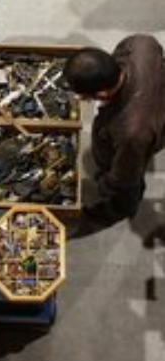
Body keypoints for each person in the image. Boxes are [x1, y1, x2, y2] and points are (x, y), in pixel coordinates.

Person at [63, 34, 165, 228]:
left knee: (125, 189)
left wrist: (105, 185)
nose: (80, 99)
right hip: (154, 101)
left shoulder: (131, 132)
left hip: (146, 128)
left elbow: (123, 176)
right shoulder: (140, 44)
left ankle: (117, 210)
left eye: (82, 96)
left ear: (102, 94)